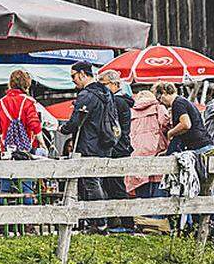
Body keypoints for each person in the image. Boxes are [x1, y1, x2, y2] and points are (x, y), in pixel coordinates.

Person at [60, 61, 115, 224]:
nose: (73, 80)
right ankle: (100, 221)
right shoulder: (106, 92)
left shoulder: (86, 95)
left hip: (89, 143)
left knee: (91, 183)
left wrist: (62, 129)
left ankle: (99, 223)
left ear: (83, 74)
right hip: (105, 142)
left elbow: (75, 122)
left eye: (74, 76)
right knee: (98, 182)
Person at [0, 70, 43, 202]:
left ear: (10, 84)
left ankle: (2, 218)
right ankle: (28, 220)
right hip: (25, 150)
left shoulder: (0, 103)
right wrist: (42, 142)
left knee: (5, 187)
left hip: (7, 149)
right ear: (27, 84)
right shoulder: (29, 102)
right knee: (27, 187)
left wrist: (1, 141)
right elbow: (34, 124)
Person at [98, 70, 134, 228]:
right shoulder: (120, 101)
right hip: (121, 146)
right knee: (112, 185)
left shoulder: (117, 102)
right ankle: (117, 221)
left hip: (117, 148)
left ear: (115, 84)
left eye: (104, 84)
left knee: (117, 185)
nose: (102, 88)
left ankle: (127, 223)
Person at [126, 90, 170, 199]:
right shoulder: (158, 108)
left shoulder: (130, 111)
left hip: (136, 152)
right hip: (157, 151)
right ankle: (157, 216)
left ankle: (143, 215)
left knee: (141, 188)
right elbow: (166, 124)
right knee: (158, 191)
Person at [156, 82, 214, 153]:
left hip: (199, 147)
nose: (161, 102)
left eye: (159, 99)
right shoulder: (183, 101)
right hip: (204, 145)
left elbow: (186, 125)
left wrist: (170, 133)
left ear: (164, 93)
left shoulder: (177, 103)